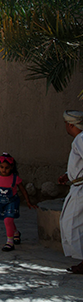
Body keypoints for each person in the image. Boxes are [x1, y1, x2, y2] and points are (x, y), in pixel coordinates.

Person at [59, 110, 83, 274]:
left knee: (72, 224)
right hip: (77, 186)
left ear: (70, 125)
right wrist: (69, 176)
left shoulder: (81, 139)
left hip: (80, 190)